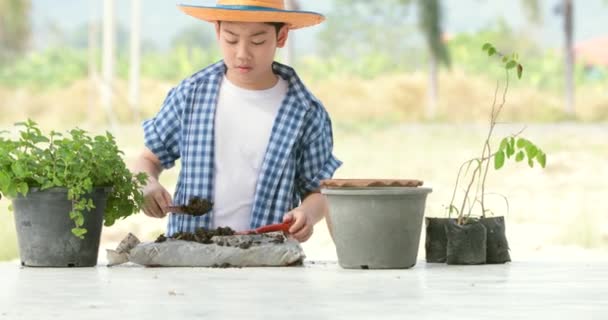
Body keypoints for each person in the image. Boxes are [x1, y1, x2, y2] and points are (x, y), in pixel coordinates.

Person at [133, 0, 341, 243]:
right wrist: (146, 184)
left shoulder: (306, 112)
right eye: (231, 39)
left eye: (258, 41)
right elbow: (148, 159)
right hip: (190, 255)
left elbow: (318, 191)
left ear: (281, 36)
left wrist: (307, 213)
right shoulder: (190, 95)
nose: (242, 53)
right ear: (218, 32)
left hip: (268, 258)